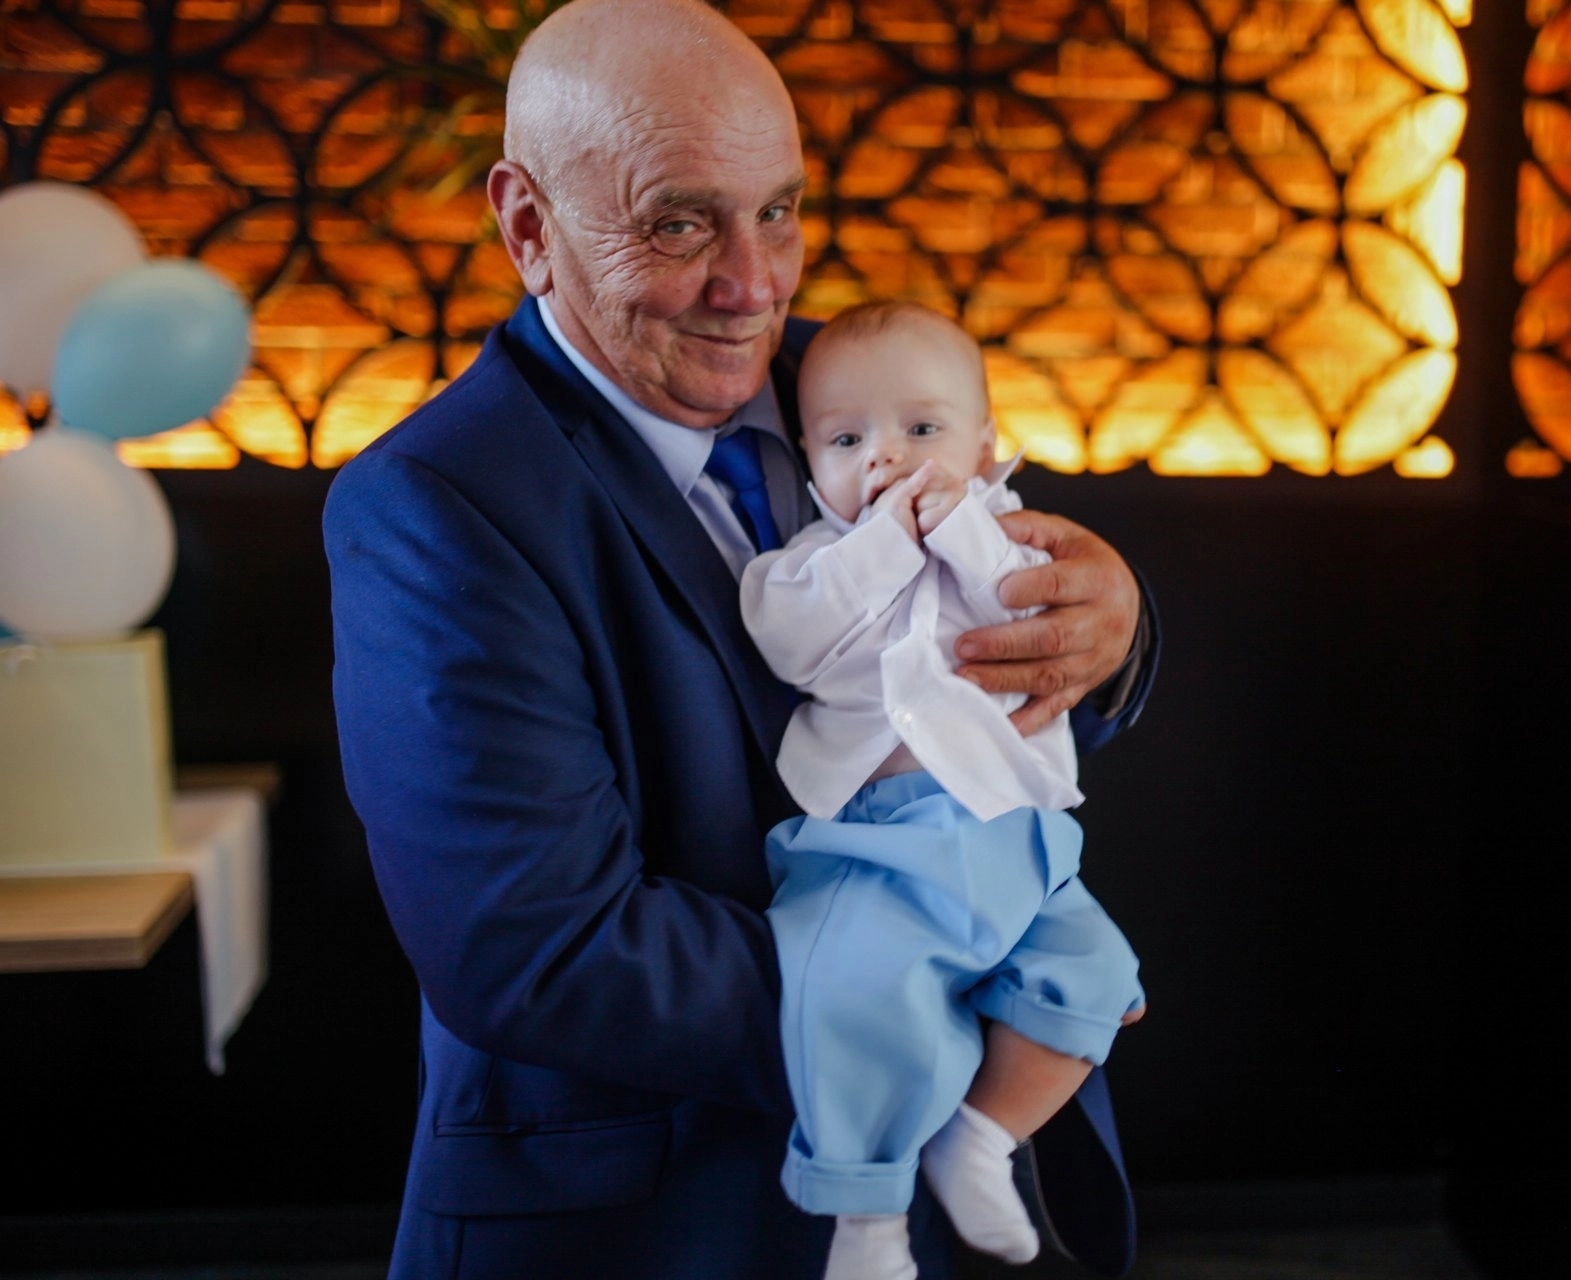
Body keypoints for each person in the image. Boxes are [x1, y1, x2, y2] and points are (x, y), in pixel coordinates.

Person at [323, 0, 1156, 1275]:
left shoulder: (861, 384)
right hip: (653, 1222)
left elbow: (1000, 615)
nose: (753, 284)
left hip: (959, 1183)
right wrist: (940, 983)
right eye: (679, 223)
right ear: (529, 226)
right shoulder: (433, 505)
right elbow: (540, 947)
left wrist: (1115, 622)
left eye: (778, 211)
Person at [742, 302, 1146, 1280]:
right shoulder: (810, 565)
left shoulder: (1011, 539)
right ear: (810, 462)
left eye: (922, 429)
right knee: (860, 1000)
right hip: (878, 837)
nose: (886, 456)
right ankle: (865, 1216)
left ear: (986, 443)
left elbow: (1025, 597)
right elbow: (791, 640)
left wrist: (960, 526)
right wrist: (883, 540)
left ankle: (983, 1133)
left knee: (1095, 974)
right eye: (847, 440)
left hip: (1016, 835)